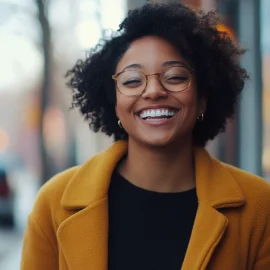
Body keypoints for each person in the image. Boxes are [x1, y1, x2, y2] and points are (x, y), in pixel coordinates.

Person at [21, 2, 270, 270]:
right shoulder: (54, 203)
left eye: (175, 77)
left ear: (203, 99)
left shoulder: (260, 206)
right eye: (132, 81)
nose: (153, 91)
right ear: (113, 102)